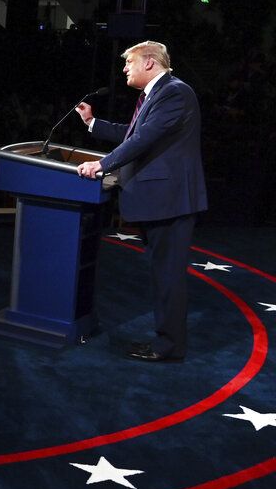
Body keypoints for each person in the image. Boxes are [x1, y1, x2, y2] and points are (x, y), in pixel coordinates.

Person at [76, 41, 207, 362]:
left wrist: (102, 164)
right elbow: (134, 133)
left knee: (168, 276)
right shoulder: (157, 94)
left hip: (171, 201)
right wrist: (93, 123)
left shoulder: (175, 93)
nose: (124, 68)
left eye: (129, 62)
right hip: (162, 201)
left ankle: (169, 346)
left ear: (149, 62)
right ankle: (166, 342)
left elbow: (143, 139)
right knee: (163, 275)